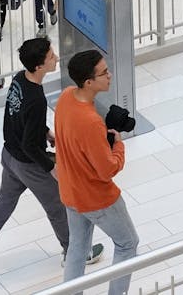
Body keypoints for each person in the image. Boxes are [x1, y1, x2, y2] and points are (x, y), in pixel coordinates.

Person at [0, 38, 104, 286]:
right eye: (50, 56)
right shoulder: (37, 98)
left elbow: (16, 117)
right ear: (39, 66)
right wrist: (52, 167)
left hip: (9, 157)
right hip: (28, 164)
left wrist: (44, 131)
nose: (56, 58)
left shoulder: (18, 80)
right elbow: (30, 144)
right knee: (57, 205)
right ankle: (74, 252)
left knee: (1, 208)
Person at [55, 50, 139, 293]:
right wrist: (119, 144)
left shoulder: (65, 97)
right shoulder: (91, 121)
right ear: (89, 82)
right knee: (127, 244)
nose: (109, 75)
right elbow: (106, 169)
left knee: (77, 249)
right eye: (104, 73)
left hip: (71, 191)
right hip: (97, 198)